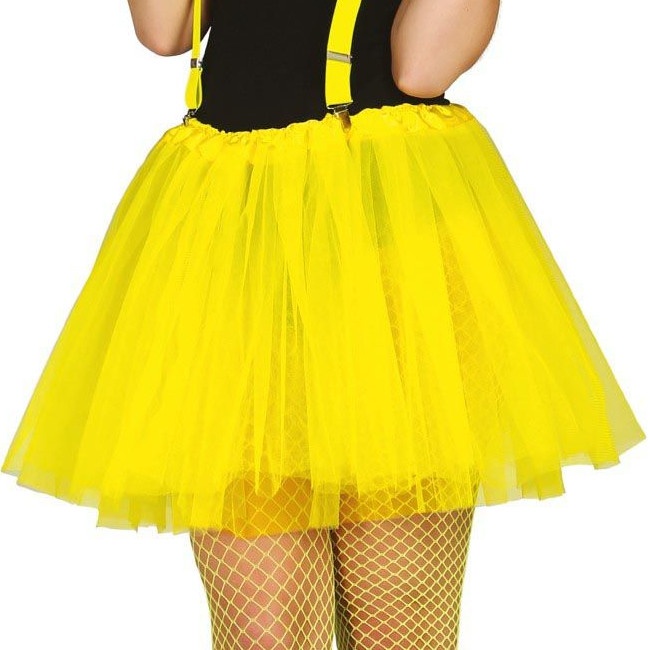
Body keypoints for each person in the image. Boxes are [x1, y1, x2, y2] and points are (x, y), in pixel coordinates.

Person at [1, 1, 645, 649]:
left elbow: (421, 68)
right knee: (262, 634)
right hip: (237, 220)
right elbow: (164, 30)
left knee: (397, 625)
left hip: (382, 225)